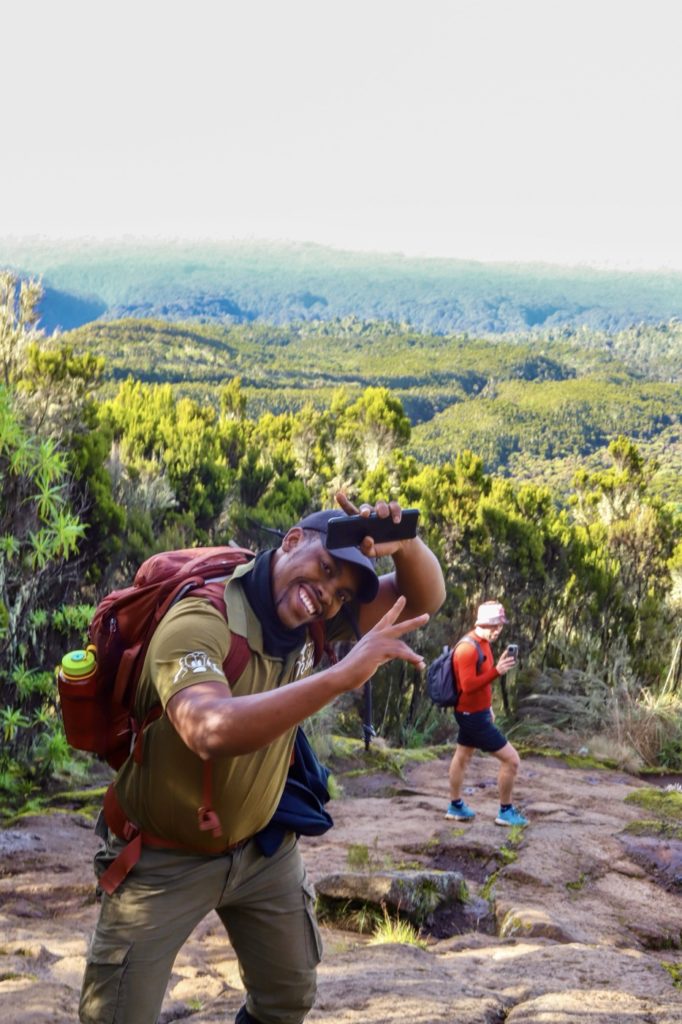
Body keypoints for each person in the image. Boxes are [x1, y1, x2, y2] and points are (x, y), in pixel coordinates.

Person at [79, 494, 445, 1024]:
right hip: (163, 857)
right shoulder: (200, 619)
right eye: (324, 569)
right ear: (292, 541)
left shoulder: (315, 620)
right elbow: (208, 729)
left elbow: (420, 600)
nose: (325, 595)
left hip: (263, 851)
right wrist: (341, 676)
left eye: (341, 593)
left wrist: (406, 543)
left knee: (286, 1000)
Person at [444, 600, 528, 827]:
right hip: (470, 716)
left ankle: (455, 806)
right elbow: (468, 685)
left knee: (462, 756)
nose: (498, 631)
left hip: (476, 713)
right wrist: (497, 672)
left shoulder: (484, 644)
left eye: (500, 626)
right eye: (495, 626)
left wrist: (487, 706)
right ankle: (505, 811)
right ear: (483, 623)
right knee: (511, 761)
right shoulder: (467, 649)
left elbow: (482, 681)